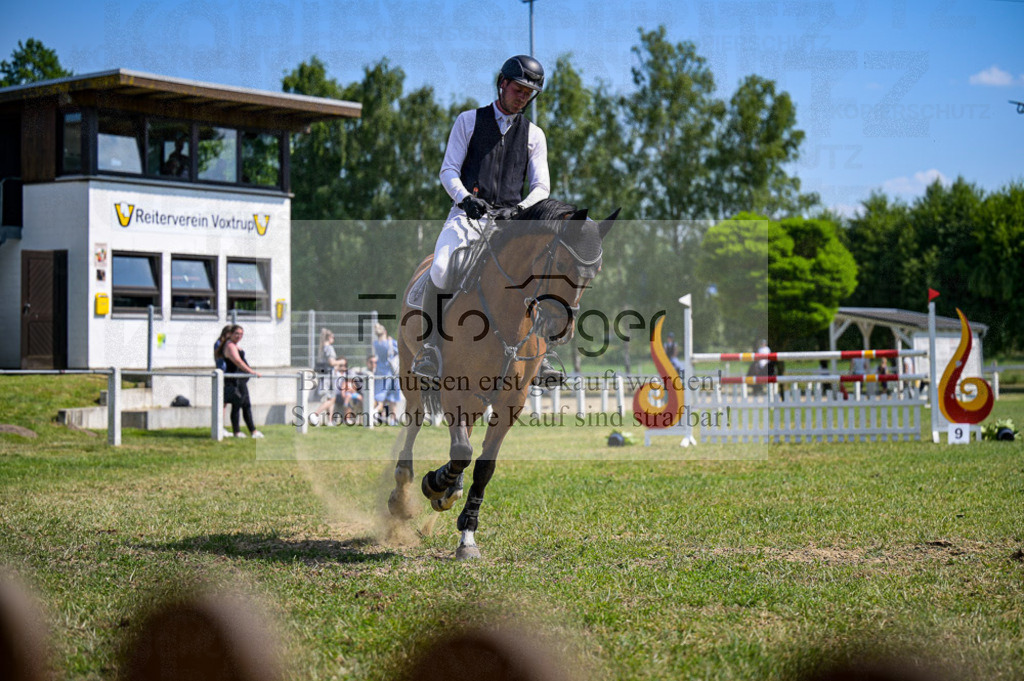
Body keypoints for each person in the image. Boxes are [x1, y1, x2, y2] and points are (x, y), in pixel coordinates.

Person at [411, 55, 564, 386]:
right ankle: (430, 350)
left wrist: (521, 209)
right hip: (468, 217)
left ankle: (544, 351)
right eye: (519, 89)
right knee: (440, 266)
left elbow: (542, 187)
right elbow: (448, 170)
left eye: (529, 92)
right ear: (502, 83)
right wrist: (465, 198)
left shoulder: (535, 135)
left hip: (511, 223)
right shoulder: (468, 121)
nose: (523, 96)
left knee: (540, 271)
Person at [216, 324, 263, 438]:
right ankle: (238, 432)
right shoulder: (230, 345)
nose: (239, 336)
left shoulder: (234, 345)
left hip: (240, 380)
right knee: (238, 405)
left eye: (241, 334)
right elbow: (238, 362)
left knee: (246, 405)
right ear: (230, 334)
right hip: (234, 380)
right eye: (236, 333)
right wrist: (252, 372)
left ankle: (253, 431)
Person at [312, 328, 346, 423]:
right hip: (329, 376)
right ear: (329, 337)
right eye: (333, 337)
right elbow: (332, 362)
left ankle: (330, 421)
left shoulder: (322, 348)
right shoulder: (329, 348)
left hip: (324, 375)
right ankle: (315, 414)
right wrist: (341, 361)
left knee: (331, 398)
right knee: (331, 399)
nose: (334, 339)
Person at [372, 323, 402, 424]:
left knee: (380, 396)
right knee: (393, 398)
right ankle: (393, 420)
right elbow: (399, 351)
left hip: (380, 372)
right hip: (392, 372)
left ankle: (375, 415)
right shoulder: (391, 342)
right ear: (385, 332)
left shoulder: (376, 344)